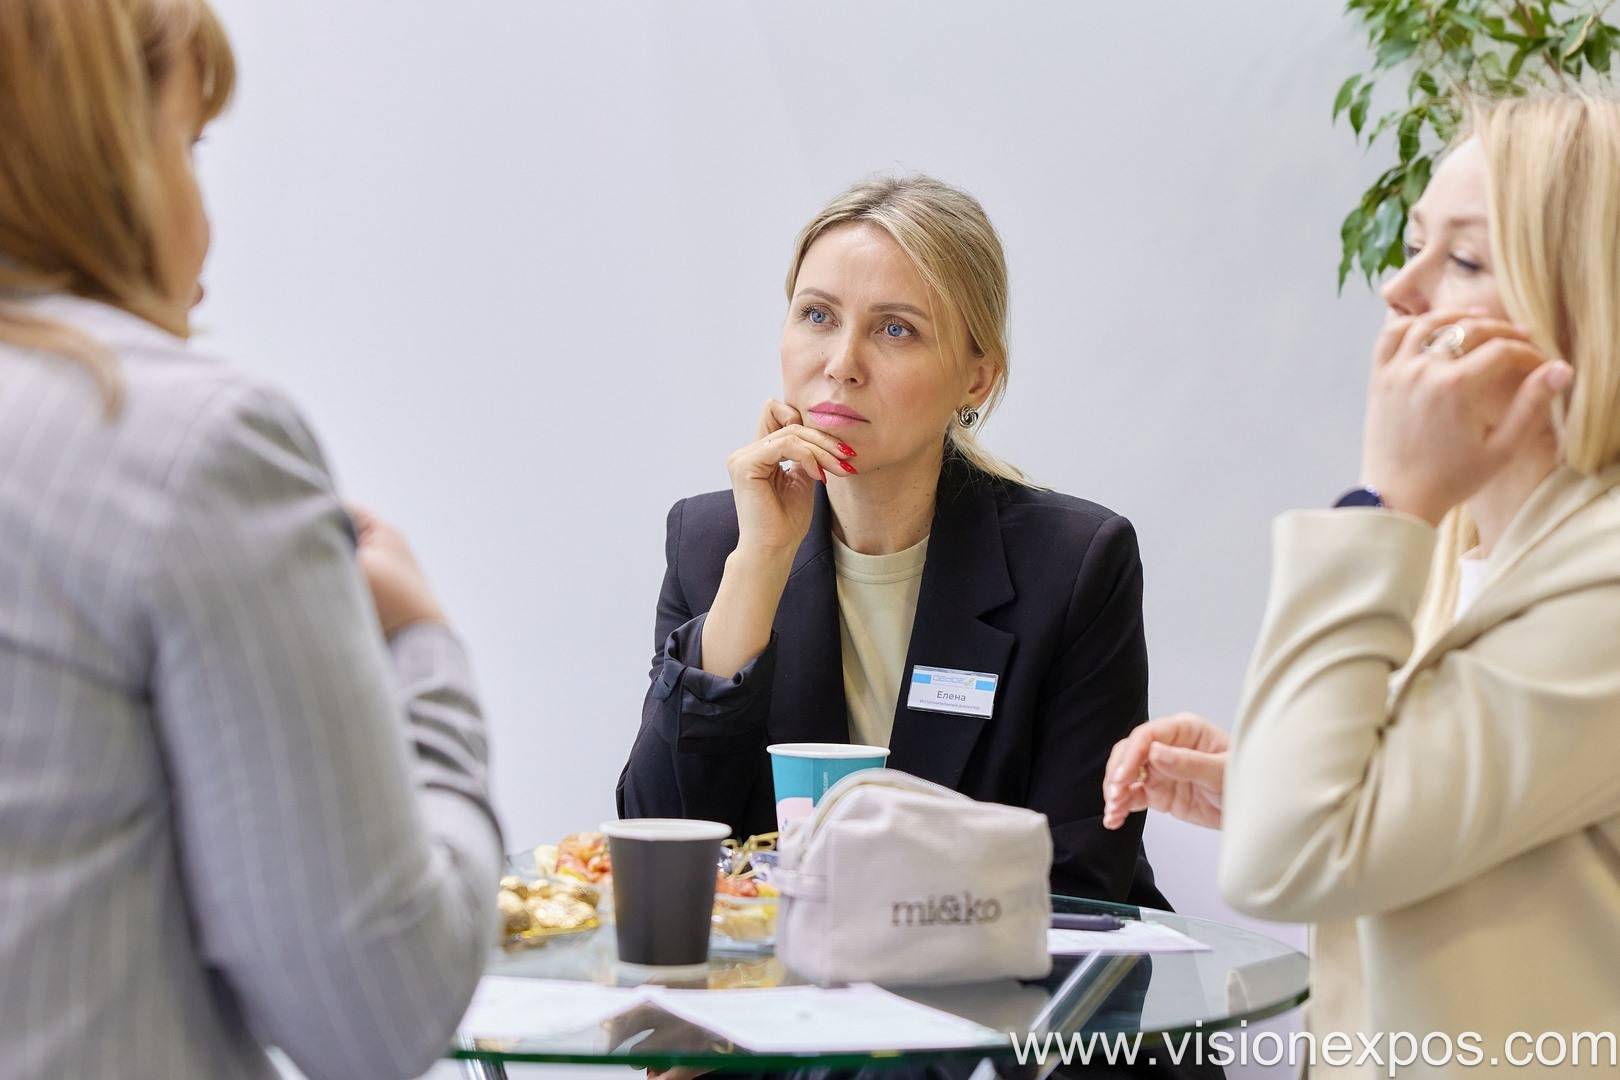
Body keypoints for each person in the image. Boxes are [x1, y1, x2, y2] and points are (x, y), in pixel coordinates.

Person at [0, 2, 500, 1077]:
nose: (207, 224)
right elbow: (372, 1013)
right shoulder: (189, 443)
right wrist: (425, 653)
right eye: (188, 147)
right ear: (99, 158)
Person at [1102, 92, 1620, 1075]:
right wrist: (1263, 781)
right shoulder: (1461, 547)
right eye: (1416, 244)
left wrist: (1382, 504)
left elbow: (1289, 858)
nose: (1399, 286)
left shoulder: (1593, 580)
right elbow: (1401, 819)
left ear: (1587, 309)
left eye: (1465, 260)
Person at [618, 174, 1169, 909]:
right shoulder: (713, 541)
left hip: (1014, 978)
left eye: (895, 329)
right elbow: (658, 844)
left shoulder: (1074, 564)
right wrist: (760, 563)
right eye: (817, 315)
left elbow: (1079, 880)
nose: (842, 362)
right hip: (774, 977)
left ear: (976, 379)